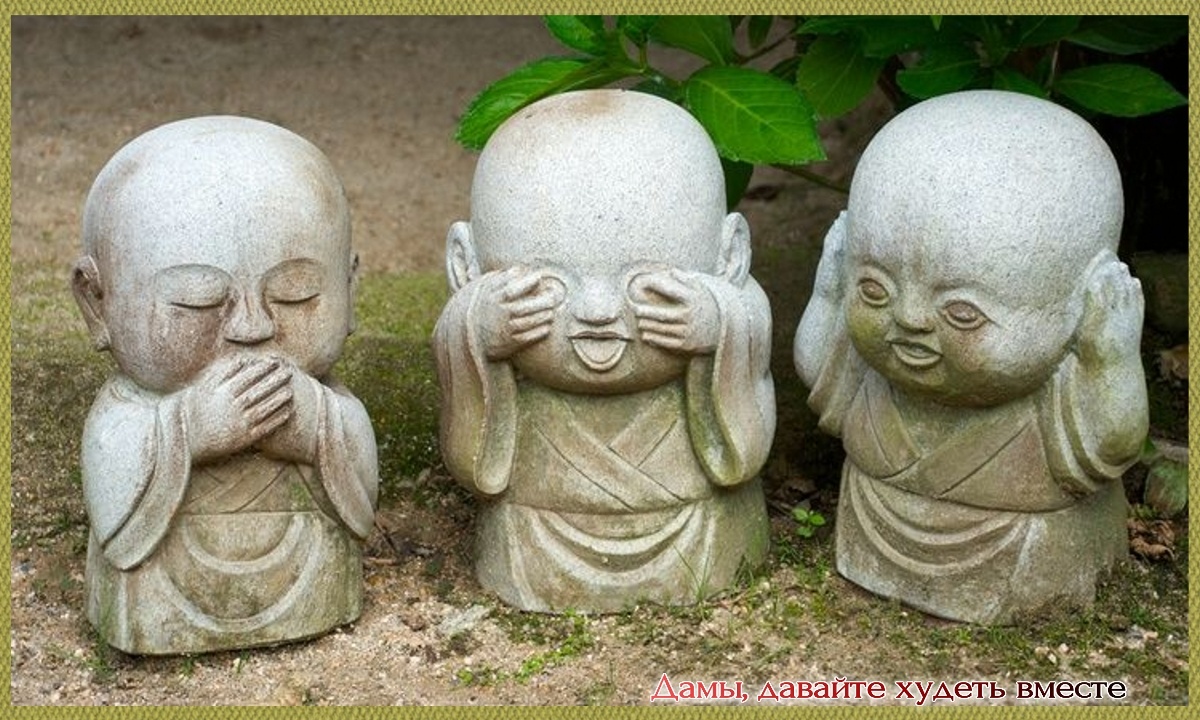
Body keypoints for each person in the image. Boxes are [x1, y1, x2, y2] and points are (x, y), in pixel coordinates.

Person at [795, 90, 1148, 624]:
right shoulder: (874, 378)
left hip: (1021, 541)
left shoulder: (1057, 399)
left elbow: (1114, 443)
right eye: (874, 290)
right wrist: (827, 294)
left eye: (962, 314)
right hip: (872, 510)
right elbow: (818, 372)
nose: (910, 318)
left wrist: (1110, 358)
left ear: (1080, 306)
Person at [435, 90, 775, 612]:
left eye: (641, 280)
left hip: (698, 521)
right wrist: (474, 330)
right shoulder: (480, 313)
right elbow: (472, 458)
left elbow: (745, 428)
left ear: (728, 260)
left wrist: (721, 323)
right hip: (532, 527)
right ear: (468, 268)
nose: (597, 311)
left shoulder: (726, 308)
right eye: (551, 283)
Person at [72, 116, 379, 654]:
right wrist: (187, 430)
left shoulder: (323, 400)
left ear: (349, 290)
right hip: (161, 588)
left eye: (296, 293)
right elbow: (114, 507)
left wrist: (316, 427)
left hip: (308, 571)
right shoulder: (126, 414)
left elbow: (361, 502)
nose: (252, 327)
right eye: (198, 301)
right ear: (97, 305)